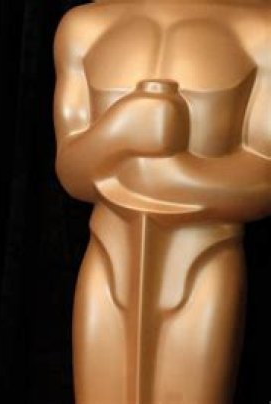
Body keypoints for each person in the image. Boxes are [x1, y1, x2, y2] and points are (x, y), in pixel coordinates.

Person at [53, 0, 271, 402]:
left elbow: (264, 178)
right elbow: (71, 171)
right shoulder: (83, 28)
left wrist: (175, 173)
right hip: (107, 257)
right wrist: (119, 131)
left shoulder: (259, 28)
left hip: (203, 260)